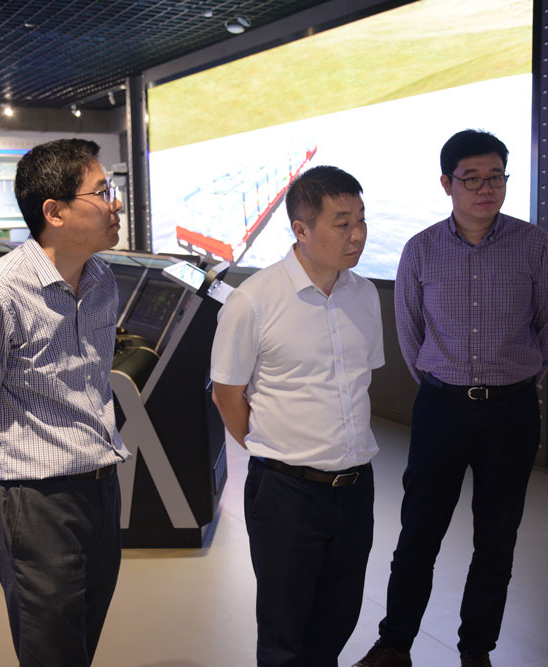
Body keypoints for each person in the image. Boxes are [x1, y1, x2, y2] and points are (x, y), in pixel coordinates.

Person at [355, 129, 548, 667]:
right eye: (472, 179)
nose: (486, 189)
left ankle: (476, 650)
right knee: (419, 533)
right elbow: (409, 335)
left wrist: (515, 382)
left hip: (512, 412)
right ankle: (394, 644)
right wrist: (445, 385)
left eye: (496, 177)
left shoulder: (532, 245)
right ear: (447, 183)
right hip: (442, 408)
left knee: (497, 538)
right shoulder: (421, 248)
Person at [0, 138, 130, 667]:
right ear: (54, 212)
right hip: (33, 495)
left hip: (100, 482)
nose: (115, 203)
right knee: (51, 649)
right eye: (102, 192)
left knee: (83, 636)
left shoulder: (101, 279)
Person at [210, 165, 384, 667]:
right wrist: (274, 449)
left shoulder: (365, 294)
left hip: (356, 488)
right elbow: (227, 395)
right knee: (284, 634)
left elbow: (360, 383)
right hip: (286, 492)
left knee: (337, 620)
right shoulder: (253, 301)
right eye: (342, 223)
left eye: (361, 220)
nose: (357, 234)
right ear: (301, 230)